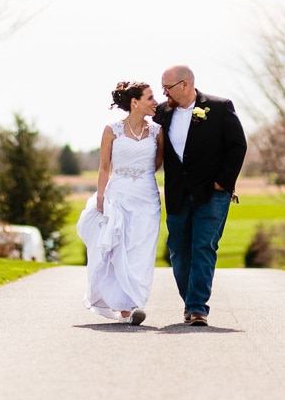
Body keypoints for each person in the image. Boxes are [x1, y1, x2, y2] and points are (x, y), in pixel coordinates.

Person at [154, 65, 247, 326]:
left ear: (185, 85)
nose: (164, 92)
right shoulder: (162, 112)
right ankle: (190, 301)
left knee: (203, 246)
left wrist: (223, 182)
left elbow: (237, 145)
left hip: (212, 193)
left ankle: (197, 308)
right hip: (177, 193)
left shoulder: (219, 107)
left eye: (167, 87)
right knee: (178, 250)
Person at [76, 80, 163, 325]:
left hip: (147, 196)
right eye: (150, 97)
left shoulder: (157, 131)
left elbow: (157, 163)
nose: (155, 102)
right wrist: (101, 197)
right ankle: (125, 304)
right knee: (119, 248)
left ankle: (137, 302)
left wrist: (141, 174)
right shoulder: (111, 130)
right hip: (118, 195)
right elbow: (105, 167)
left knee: (142, 248)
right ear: (135, 102)